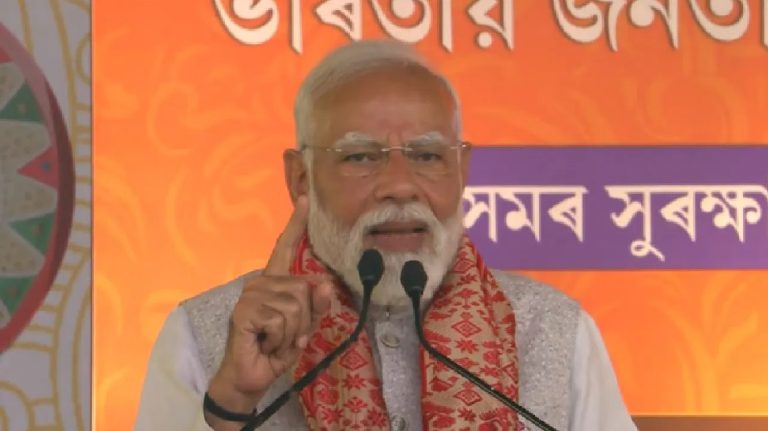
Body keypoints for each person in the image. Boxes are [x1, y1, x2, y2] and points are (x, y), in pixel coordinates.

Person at [134, 40, 637, 431]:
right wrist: (231, 402)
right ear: (301, 178)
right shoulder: (207, 332)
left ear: (461, 171)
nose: (400, 185)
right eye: (359, 156)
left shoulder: (553, 329)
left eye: (427, 155)